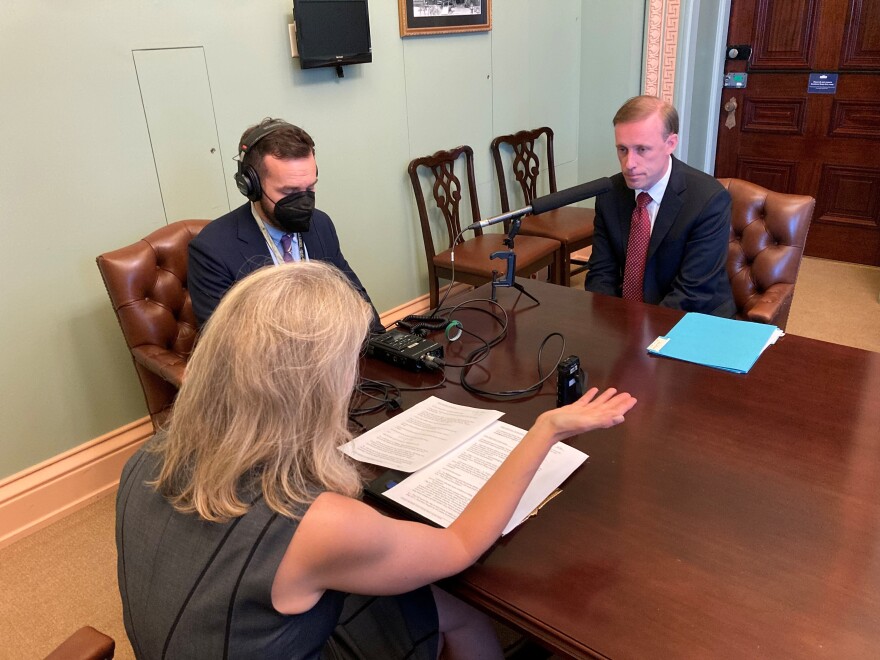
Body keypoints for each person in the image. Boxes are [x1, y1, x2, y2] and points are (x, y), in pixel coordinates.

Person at [116, 261, 637, 659]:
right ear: (313, 387)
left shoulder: (146, 456)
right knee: (445, 603)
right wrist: (545, 429)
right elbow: (458, 545)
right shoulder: (317, 527)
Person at [188, 117, 383, 332]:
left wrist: (382, 346)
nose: (303, 203)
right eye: (289, 192)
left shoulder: (321, 224)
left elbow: (356, 299)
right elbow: (224, 345)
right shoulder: (213, 250)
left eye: (309, 188)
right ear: (250, 186)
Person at [585, 95, 736, 317]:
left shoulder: (708, 200)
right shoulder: (610, 194)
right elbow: (601, 274)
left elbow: (693, 292)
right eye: (622, 149)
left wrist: (640, 334)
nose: (630, 164)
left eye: (642, 150)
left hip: (693, 318)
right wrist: (611, 324)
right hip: (626, 322)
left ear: (670, 144)